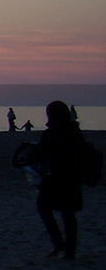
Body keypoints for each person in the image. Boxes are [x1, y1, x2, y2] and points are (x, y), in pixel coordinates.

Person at [27, 100, 87, 259]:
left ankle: (59, 244)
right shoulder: (75, 131)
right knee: (68, 214)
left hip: (56, 178)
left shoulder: (53, 133)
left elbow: (41, 152)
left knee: (44, 208)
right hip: (72, 178)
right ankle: (69, 250)